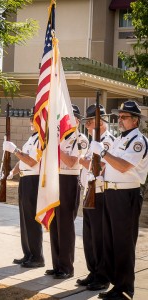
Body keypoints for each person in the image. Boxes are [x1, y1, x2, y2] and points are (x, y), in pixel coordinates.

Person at [90, 100, 148, 300]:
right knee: (111, 242)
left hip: (126, 195)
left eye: (124, 117)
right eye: (119, 117)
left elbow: (123, 166)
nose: (120, 120)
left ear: (135, 120)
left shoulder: (138, 141)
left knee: (123, 243)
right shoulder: (120, 139)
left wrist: (103, 152)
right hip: (111, 193)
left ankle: (125, 290)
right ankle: (116, 286)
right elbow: (109, 165)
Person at [45, 104, 89, 279]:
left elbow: (72, 162)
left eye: (69, 118)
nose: (65, 121)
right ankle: (57, 264)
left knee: (66, 226)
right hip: (56, 179)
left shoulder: (81, 138)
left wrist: (54, 147)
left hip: (69, 180)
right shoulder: (59, 138)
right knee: (55, 224)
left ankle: (67, 267)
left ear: (77, 120)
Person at [77, 104, 115, 291]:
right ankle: (93, 272)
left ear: (101, 122)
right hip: (89, 192)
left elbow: (97, 167)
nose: (89, 125)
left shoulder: (107, 142)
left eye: (91, 121)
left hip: (100, 194)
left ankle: (102, 276)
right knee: (89, 238)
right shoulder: (94, 141)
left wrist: (83, 160)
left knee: (100, 238)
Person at [3, 107, 44, 268]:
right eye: (32, 119)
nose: (32, 122)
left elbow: (32, 161)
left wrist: (15, 150)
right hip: (25, 180)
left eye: (36, 119)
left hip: (34, 180)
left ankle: (37, 256)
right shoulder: (31, 139)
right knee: (24, 218)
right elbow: (23, 161)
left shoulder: (41, 139)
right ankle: (28, 253)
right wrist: (12, 172)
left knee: (32, 219)